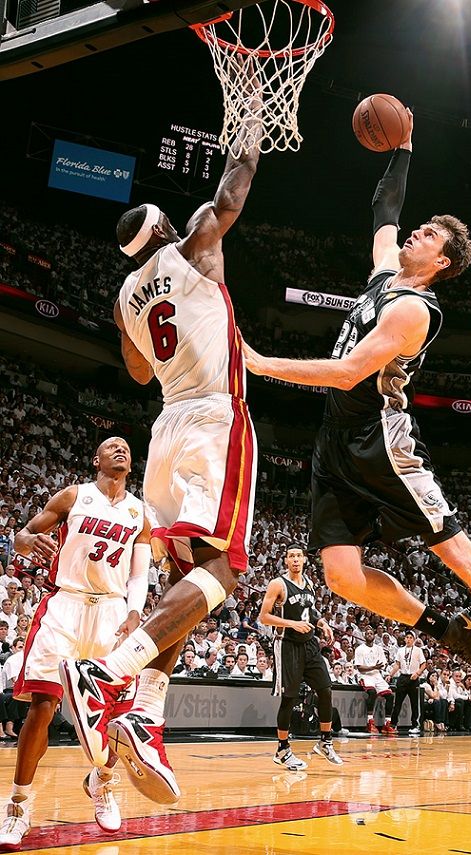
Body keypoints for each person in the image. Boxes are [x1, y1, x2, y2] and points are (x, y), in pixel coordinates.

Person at [243, 111, 471, 738]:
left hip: (381, 443)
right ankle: (449, 632)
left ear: (442, 261)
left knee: (459, 554)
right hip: (335, 445)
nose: (415, 233)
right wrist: (404, 148)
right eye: (421, 228)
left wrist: (257, 362)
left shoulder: (414, 309)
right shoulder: (386, 275)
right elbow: (384, 212)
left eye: (428, 235)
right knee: (341, 577)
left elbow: (345, 373)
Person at [59, 78, 263, 804]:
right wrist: (252, 131)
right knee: (227, 568)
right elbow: (231, 194)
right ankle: (109, 675)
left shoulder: (123, 300)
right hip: (213, 417)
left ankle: (144, 715)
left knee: (189, 582)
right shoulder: (196, 245)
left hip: (164, 431)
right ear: (168, 227)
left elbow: (140, 369)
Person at [0, 438, 150, 849]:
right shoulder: (73, 496)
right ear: (96, 460)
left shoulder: (140, 513)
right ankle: (18, 804)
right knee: (43, 706)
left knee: (119, 714)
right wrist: (27, 542)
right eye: (111, 446)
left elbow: (139, 573)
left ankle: (102, 780)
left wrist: (134, 611)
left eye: (125, 446)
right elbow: (24, 536)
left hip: (113, 612)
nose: (120, 449)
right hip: (65, 603)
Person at [259, 543, 343, 770]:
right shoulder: (278, 584)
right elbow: (264, 617)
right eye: (291, 556)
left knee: (325, 689)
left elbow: (310, 611)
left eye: (298, 555)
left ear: (305, 559)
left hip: (310, 644)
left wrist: (322, 622)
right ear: (286, 560)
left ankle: (325, 741)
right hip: (287, 645)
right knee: (289, 699)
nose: (295, 559)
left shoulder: (309, 583)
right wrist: (292, 624)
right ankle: (282, 749)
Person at [387, 630, 426, 734]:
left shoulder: (418, 650)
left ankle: (415, 725)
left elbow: (423, 664)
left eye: (410, 638)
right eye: (407, 637)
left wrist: (417, 673)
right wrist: (390, 675)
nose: (408, 639)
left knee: (414, 703)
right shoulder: (400, 650)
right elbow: (397, 665)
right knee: (397, 702)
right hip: (403, 677)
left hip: (413, 678)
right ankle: (393, 724)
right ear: (404, 639)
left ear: (414, 639)